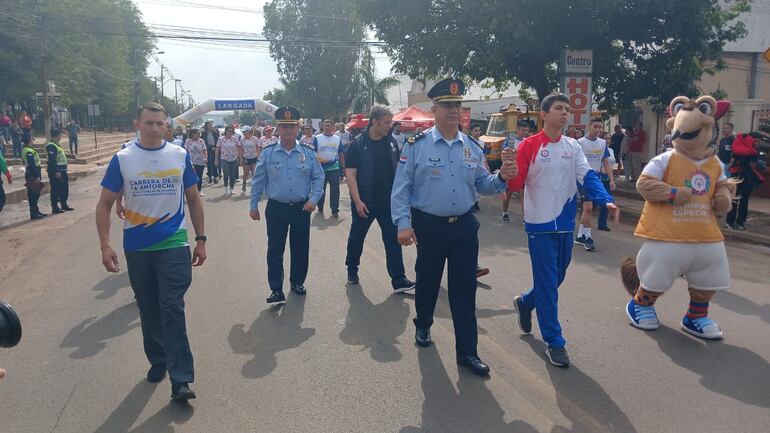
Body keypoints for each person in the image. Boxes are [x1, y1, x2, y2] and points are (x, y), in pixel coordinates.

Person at [391, 78, 517, 376]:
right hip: (429, 226)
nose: (453, 110)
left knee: (464, 289)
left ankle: (467, 352)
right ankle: (423, 324)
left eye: (457, 105)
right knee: (428, 280)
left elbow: (483, 184)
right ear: (434, 109)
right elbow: (401, 189)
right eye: (447, 105)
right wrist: (403, 225)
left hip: (463, 227)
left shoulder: (472, 147)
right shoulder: (417, 145)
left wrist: (501, 177)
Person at [95, 102, 206, 402]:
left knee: (171, 307)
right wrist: (105, 246)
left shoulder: (179, 155)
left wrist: (201, 239)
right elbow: (105, 204)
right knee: (149, 307)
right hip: (138, 247)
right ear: (137, 124)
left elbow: (194, 200)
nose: (155, 129)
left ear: (166, 126)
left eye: (160, 123)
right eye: (149, 123)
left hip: (173, 244)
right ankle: (158, 358)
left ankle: (180, 379)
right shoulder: (123, 159)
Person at [507, 93, 619, 368]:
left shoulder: (572, 146)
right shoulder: (529, 146)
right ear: (544, 114)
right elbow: (516, 183)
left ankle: (525, 302)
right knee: (548, 283)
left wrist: (606, 199)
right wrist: (509, 171)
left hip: (565, 224)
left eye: (567, 109)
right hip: (540, 224)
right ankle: (554, 342)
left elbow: (588, 176)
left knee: (557, 276)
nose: (565, 113)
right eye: (559, 108)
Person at [250, 106, 324, 305]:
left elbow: (319, 177)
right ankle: (276, 289)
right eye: (284, 127)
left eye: (292, 127)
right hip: (276, 208)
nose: (288, 131)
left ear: (298, 129)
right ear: (278, 129)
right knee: (275, 249)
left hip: (302, 207)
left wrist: (314, 199)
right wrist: (253, 204)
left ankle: (297, 282)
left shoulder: (308, 153)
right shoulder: (268, 153)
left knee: (300, 247)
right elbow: (258, 180)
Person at [344, 106, 416, 292]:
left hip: (388, 203)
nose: (390, 126)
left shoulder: (391, 143)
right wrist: (358, 201)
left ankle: (398, 279)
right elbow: (350, 175)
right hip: (364, 203)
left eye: (390, 122)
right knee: (357, 238)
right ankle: (352, 269)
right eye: (386, 122)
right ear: (374, 122)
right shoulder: (357, 145)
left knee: (393, 239)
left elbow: (399, 171)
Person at [576, 118, 616, 248]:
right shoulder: (580, 143)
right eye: (596, 126)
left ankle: (580, 235)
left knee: (588, 209)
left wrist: (611, 179)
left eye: (600, 127)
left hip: (597, 179)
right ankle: (588, 237)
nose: (598, 130)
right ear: (589, 126)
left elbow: (605, 162)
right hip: (583, 178)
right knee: (588, 208)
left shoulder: (603, 143)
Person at [725, 127, 769, 230]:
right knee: (738, 199)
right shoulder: (746, 147)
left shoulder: (747, 146)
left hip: (742, 174)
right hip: (741, 174)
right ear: (752, 138)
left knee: (740, 199)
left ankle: (738, 221)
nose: (758, 143)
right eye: (757, 141)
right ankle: (733, 222)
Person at [313, 119, 344, 217]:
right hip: (320, 169)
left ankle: (335, 210)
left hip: (334, 168)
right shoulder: (317, 138)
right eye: (325, 125)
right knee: (321, 190)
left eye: (328, 125)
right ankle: (320, 207)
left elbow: (341, 154)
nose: (326, 127)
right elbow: (312, 154)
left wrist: (343, 169)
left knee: (335, 190)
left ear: (333, 127)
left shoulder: (337, 139)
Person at [501, 120, 530, 222]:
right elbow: (503, 154)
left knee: (522, 194)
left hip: (523, 172)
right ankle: (505, 212)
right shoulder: (510, 141)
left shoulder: (527, 141)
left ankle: (526, 217)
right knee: (508, 194)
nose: (525, 132)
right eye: (523, 130)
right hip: (510, 171)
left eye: (527, 130)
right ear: (517, 130)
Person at [45, 128, 73, 214]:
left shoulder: (56, 145)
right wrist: (56, 171)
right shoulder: (51, 146)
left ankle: (64, 204)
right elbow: (52, 160)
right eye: (60, 135)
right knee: (56, 189)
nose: (61, 136)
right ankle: (55, 207)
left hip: (63, 170)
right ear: (57, 136)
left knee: (64, 188)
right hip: (57, 171)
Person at [22, 137, 46, 219]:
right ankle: (34, 213)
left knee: (36, 193)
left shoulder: (29, 149)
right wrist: (37, 176)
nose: (33, 140)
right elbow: (32, 164)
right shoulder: (28, 151)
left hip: (34, 172)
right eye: (32, 139)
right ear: (29, 140)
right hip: (32, 174)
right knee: (33, 195)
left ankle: (36, 211)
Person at [215, 125, 242, 195]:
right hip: (224, 158)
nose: (231, 132)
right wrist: (216, 159)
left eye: (232, 131)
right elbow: (217, 149)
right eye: (229, 131)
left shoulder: (235, 139)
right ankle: (226, 187)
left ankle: (232, 188)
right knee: (226, 173)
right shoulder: (221, 139)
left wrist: (240, 157)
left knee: (232, 174)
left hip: (233, 158)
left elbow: (239, 147)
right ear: (226, 131)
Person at [184, 128, 207, 196]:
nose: (199, 135)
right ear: (193, 134)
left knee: (199, 177)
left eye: (199, 133)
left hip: (201, 161)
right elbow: (186, 150)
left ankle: (199, 190)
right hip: (191, 162)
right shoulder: (188, 141)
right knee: (193, 176)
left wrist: (205, 157)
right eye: (197, 133)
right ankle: (193, 191)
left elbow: (205, 150)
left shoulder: (201, 141)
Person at [240, 126, 260, 193]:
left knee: (254, 173)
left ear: (249, 131)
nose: (244, 133)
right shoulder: (242, 140)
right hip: (246, 158)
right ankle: (244, 183)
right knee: (246, 172)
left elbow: (258, 148)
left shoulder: (255, 139)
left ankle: (253, 187)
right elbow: (241, 149)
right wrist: (241, 158)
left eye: (245, 132)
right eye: (243, 132)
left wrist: (258, 156)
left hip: (254, 157)